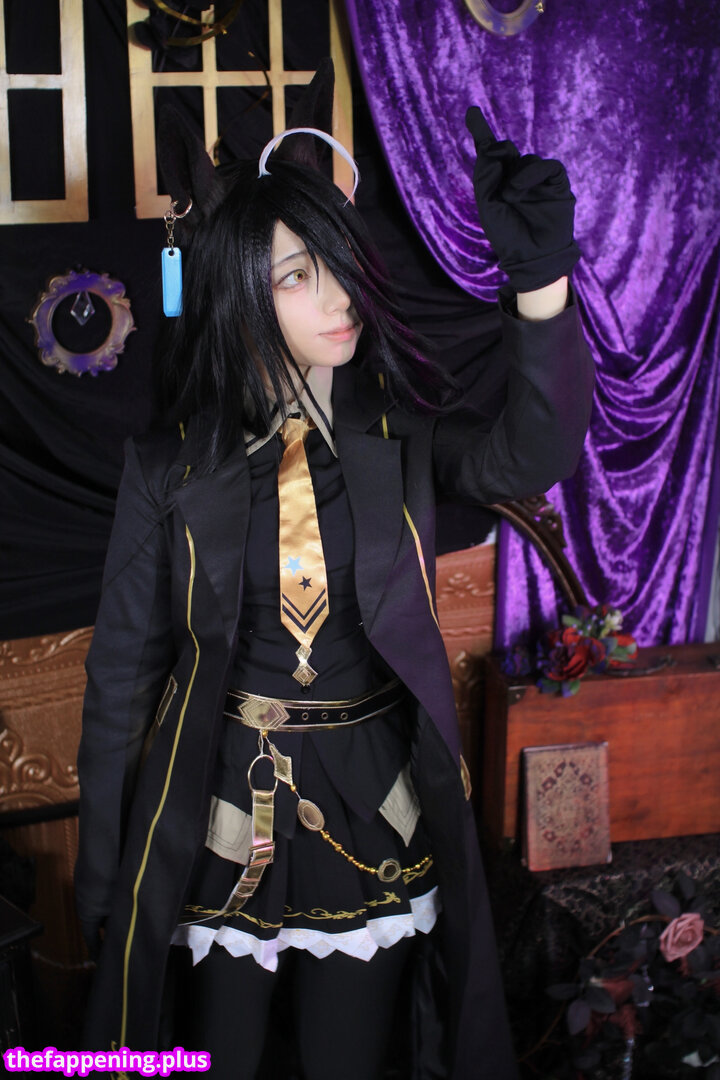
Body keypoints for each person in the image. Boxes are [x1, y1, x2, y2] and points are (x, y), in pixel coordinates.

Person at [75, 66, 594, 1080]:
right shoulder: (170, 470)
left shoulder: (400, 439)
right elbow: (120, 685)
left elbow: (531, 455)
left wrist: (540, 285)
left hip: (373, 803)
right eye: (297, 275)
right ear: (238, 293)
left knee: (348, 1060)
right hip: (222, 808)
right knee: (217, 1057)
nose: (339, 296)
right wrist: (103, 882)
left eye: (342, 267)